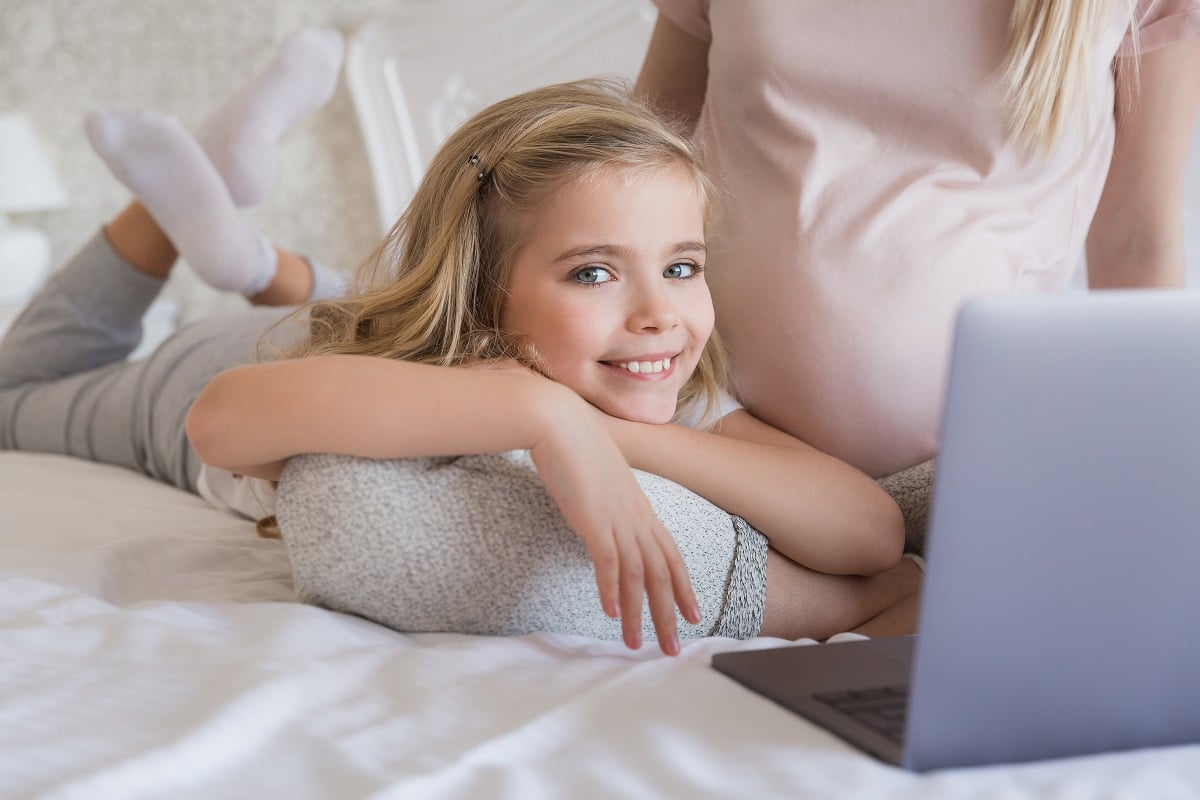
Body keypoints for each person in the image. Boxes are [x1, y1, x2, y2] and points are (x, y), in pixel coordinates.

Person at [0, 34, 920, 657]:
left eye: (683, 266)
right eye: (595, 272)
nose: (659, 314)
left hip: (348, 323)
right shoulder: (434, 370)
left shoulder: (657, 381)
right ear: (487, 298)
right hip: (204, 368)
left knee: (362, 302)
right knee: (19, 391)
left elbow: (871, 533)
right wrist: (545, 413)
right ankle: (198, 223)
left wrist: (615, 438)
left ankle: (245, 248)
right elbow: (218, 418)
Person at [634, 0, 1200, 543]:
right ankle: (874, 597)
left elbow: (1135, 236)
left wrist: (1152, 473)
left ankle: (867, 595)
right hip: (723, 439)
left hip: (975, 472)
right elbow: (634, 171)